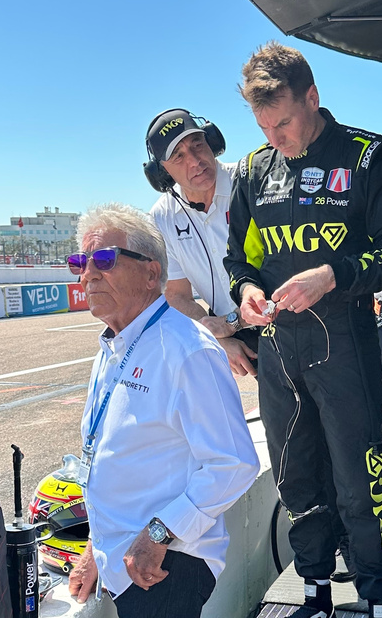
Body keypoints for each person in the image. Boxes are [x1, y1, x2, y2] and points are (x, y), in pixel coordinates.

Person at [225, 41, 382, 618]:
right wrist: (247, 292)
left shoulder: (372, 155)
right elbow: (240, 260)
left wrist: (333, 275)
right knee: (295, 479)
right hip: (279, 349)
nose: (274, 138)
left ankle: (380, 592)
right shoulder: (254, 169)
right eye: (263, 126)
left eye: (282, 122)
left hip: (349, 344)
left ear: (313, 97)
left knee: (359, 481)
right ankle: (312, 588)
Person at [66, 203, 260, 618]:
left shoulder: (188, 350)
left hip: (166, 561)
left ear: (151, 273)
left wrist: (158, 535)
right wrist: (94, 550)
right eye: (80, 262)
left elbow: (234, 464)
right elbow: (118, 458)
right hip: (123, 555)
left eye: (104, 259)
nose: (88, 274)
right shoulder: (114, 345)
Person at [144, 108, 258, 377]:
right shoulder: (162, 216)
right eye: (178, 156)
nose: (195, 160)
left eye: (198, 144)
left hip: (288, 320)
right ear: (161, 172)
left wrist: (230, 324)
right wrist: (216, 337)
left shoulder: (250, 182)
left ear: (213, 143)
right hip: (239, 336)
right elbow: (176, 295)